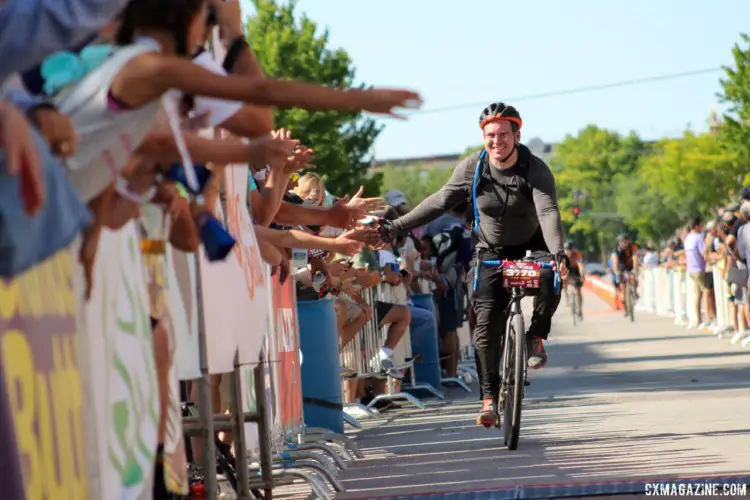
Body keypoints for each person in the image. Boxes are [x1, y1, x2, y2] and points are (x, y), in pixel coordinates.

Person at [380, 102, 568, 426]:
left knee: (551, 277)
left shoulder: (535, 169)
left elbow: (548, 212)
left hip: (530, 248)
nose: (497, 142)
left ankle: (535, 335)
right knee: (486, 324)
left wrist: (558, 253)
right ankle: (489, 399)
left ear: (517, 134)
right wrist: (397, 226)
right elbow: (439, 201)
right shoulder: (473, 167)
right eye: (490, 135)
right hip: (490, 251)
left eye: (503, 135)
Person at [612, 234, 639, 312]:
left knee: (633, 277)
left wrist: (635, 270)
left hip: (630, 265)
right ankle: (625, 305)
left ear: (628, 241)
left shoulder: (633, 247)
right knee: (622, 285)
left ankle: (634, 291)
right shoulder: (616, 250)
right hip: (621, 266)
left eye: (625, 241)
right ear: (619, 243)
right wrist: (616, 271)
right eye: (622, 242)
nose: (624, 243)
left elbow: (635, 258)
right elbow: (615, 261)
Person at [563, 241, 585, 319]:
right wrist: (563, 276)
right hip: (567, 269)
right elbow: (562, 267)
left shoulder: (577, 254)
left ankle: (579, 310)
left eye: (569, 249)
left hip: (576, 270)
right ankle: (567, 297)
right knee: (564, 281)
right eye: (566, 249)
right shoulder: (563, 256)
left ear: (572, 249)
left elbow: (580, 265)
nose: (567, 251)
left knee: (578, 291)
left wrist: (582, 275)